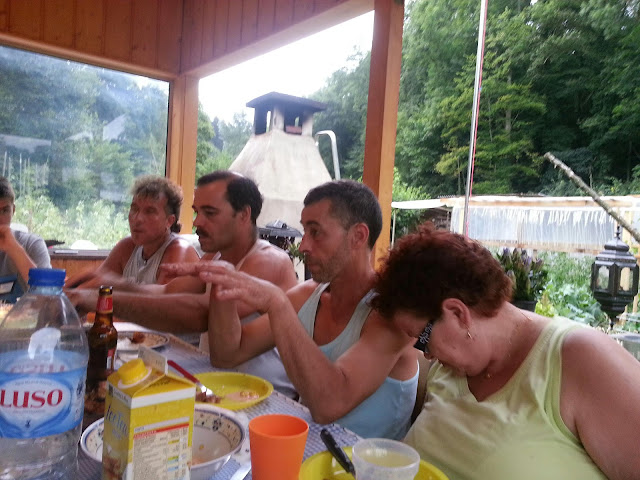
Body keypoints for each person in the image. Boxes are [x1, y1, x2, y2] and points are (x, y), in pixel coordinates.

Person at [371, 224, 640, 480]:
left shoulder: (578, 357)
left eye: (422, 339)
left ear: (457, 313)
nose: (426, 354)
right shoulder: (447, 371)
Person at [178, 180, 419, 439]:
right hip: (309, 447)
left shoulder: (393, 315)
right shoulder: (308, 296)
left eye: (316, 232)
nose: (303, 246)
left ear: (358, 236)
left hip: (365, 461)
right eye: (305, 231)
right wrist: (221, 284)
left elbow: (329, 405)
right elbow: (228, 355)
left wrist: (277, 303)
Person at [67, 171, 299, 397]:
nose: (197, 222)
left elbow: (202, 314)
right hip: (218, 385)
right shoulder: (216, 257)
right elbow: (167, 292)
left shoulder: (268, 260)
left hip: (264, 395)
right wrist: (107, 284)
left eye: (210, 213)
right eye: (197, 212)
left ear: (244, 215)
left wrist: (103, 300)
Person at [65, 175, 199, 288]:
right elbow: (95, 283)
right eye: (134, 209)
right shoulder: (127, 246)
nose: (137, 218)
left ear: (169, 221)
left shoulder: (179, 251)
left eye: (150, 211)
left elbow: (159, 307)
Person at [0, 176, 51, 298]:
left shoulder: (32, 244)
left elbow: (49, 296)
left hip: (25, 311)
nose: (0, 219)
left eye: (5, 211)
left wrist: (14, 249)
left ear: (13, 210)